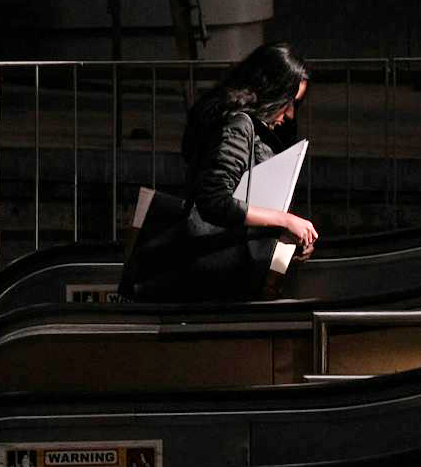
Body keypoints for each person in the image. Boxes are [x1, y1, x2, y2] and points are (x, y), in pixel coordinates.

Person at [121, 42, 319, 301]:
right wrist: (285, 220)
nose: (291, 114)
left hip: (217, 272)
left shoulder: (231, 120)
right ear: (271, 90)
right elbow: (214, 201)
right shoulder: (238, 127)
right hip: (217, 271)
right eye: (289, 102)